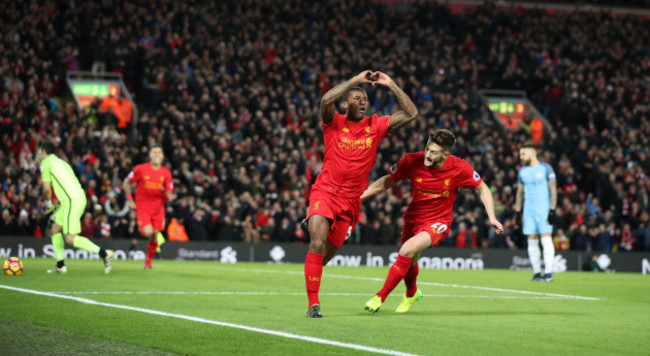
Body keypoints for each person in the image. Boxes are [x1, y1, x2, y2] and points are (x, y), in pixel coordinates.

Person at [303, 70, 418, 318]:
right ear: (345, 104)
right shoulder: (334, 123)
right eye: (357, 99)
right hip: (326, 192)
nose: (363, 102)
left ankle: (311, 222)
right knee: (317, 241)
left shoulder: (375, 126)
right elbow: (325, 100)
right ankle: (314, 304)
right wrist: (356, 80)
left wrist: (391, 84)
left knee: (321, 258)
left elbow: (411, 113)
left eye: (365, 100)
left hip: (351, 202)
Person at [361, 129, 504, 313]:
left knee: (406, 250)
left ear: (446, 154)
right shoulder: (412, 161)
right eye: (427, 148)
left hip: (439, 221)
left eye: (434, 152)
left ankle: (379, 297)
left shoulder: (459, 167)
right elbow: (387, 181)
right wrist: (361, 196)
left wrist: (491, 217)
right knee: (410, 260)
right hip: (413, 219)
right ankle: (412, 293)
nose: (428, 155)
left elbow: (483, 188)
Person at [37, 142, 114, 274]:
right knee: (54, 229)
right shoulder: (62, 162)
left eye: (39, 152)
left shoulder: (46, 162)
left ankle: (104, 253)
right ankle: (60, 265)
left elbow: (46, 189)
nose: (38, 155)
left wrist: (49, 205)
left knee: (70, 238)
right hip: (72, 199)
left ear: (43, 152)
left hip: (71, 200)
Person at [123, 144, 175, 269]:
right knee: (148, 232)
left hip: (158, 209)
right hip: (143, 207)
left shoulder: (166, 173)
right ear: (150, 155)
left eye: (159, 153)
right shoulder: (140, 169)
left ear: (162, 157)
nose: (157, 154)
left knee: (154, 235)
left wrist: (170, 197)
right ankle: (142, 228)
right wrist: (130, 199)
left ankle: (148, 262)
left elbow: (168, 192)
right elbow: (127, 182)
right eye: (154, 152)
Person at [515, 143, 557, 282]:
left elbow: (553, 190)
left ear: (532, 153)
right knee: (531, 242)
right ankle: (537, 273)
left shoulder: (546, 168)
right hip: (528, 211)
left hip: (543, 210)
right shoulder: (522, 172)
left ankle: (549, 273)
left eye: (523, 154)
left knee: (546, 239)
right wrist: (517, 211)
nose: (521, 157)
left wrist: (552, 209)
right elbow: (519, 193)